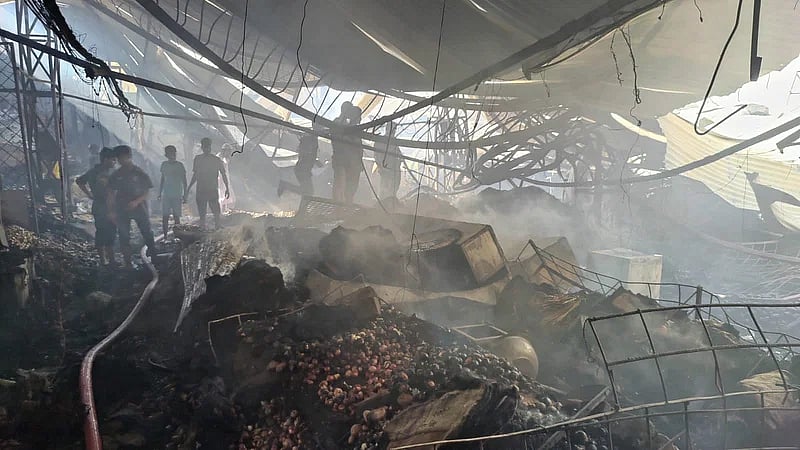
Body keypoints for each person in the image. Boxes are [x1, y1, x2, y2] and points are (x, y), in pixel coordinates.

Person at [107, 145, 156, 268]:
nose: (120, 161)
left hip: (140, 207)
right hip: (122, 208)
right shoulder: (116, 175)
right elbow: (111, 193)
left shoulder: (139, 172)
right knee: (124, 236)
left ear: (129, 157)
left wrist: (136, 202)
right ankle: (128, 263)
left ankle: (154, 257)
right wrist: (111, 211)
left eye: (122, 157)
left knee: (147, 232)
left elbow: (147, 191)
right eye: (118, 158)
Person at [76, 147, 117, 266]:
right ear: (105, 159)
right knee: (101, 232)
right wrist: (89, 194)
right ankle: (103, 260)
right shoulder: (94, 172)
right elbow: (80, 181)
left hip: (112, 206)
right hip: (100, 205)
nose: (114, 162)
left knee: (112, 232)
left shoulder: (112, 171)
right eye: (112, 160)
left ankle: (112, 259)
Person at [186, 137, 230, 230]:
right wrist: (189, 187)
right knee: (202, 211)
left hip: (211, 189)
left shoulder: (216, 160)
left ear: (210, 147)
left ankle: (217, 226)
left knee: (215, 210)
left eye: (208, 146)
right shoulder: (198, 159)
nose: (207, 148)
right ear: (202, 147)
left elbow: (223, 174)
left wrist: (227, 188)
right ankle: (203, 226)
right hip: (202, 189)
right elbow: (196, 175)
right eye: (205, 146)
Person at [157, 145, 187, 237]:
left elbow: (184, 181)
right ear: (166, 155)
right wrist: (160, 193)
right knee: (165, 216)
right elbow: (163, 179)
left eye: (173, 153)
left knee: (176, 216)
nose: (172, 155)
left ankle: (178, 236)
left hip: (177, 194)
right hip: (166, 194)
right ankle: (165, 236)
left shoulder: (180, 165)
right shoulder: (164, 165)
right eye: (170, 154)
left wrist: (185, 195)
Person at [278, 132, 319, 197]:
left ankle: (285, 185)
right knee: (308, 192)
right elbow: (305, 154)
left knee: (307, 192)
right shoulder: (310, 140)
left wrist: (316, 161)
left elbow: (308, 155)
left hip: (304, 169)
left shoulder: (312, 139)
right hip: (303, 170)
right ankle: (285, 185)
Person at [378, 121, 402, 201]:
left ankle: (391, 203)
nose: (394, 131)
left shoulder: (394, 141)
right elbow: (377, 156)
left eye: (395, 130)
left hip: (395, 171)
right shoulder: (380, 141)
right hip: (386, 170)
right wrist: (382, 167)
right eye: (393, 129)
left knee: (393, 189)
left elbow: (398, 154)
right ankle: (384, 204)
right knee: (386, 189)